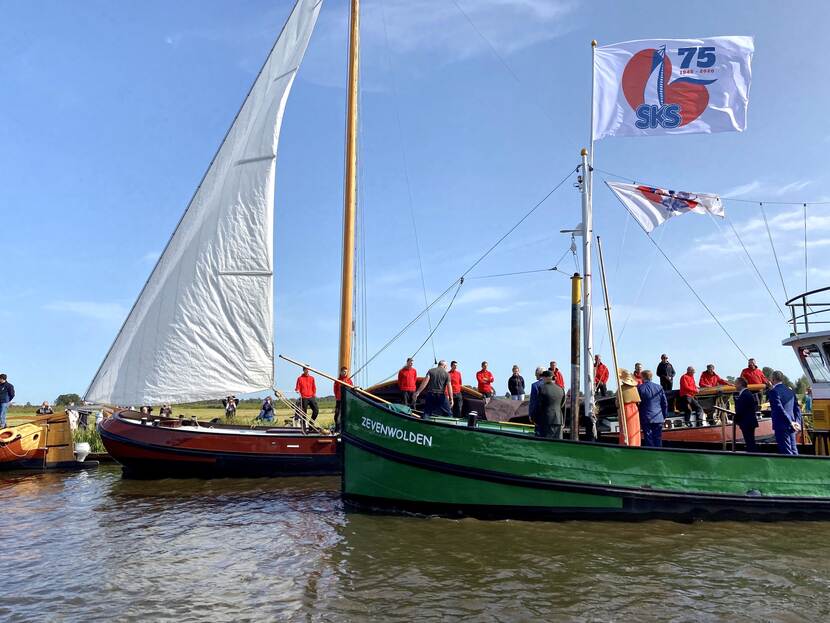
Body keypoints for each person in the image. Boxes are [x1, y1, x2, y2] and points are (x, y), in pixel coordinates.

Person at [768, 370, 801, 455]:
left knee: (786, 452)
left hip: (781, 425)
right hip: (792, 425)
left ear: (773, 379)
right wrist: (797, 422)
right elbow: (797, 408)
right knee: (794, 450)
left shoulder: (773, 392)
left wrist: (790, 422)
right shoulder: (790, 391)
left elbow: (779, 408)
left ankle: (790, 468)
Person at [637, 370, 667, 447]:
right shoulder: (659, 387)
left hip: (646, 417)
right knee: (658, 438)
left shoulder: (640, 388)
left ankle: (651, 455)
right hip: (658, 417)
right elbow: (664, 403)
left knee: (648, 438)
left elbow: (637, 404)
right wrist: (664, 416)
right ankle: (659, 455)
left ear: (643, 377)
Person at [531, 370, 565, 439]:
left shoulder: (542, 388)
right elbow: (562, 406)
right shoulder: (561, 389)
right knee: (557, 443)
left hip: (545, 420)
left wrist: (533, 418)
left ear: (545, 378)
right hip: (558, 421)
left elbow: (538, 405)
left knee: (545, 444)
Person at [733, 378, 759, 452]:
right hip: (748, 422)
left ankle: (752, 456)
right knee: (750, 441)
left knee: (750, 442)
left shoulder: (745, 394)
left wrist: (735, 419)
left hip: (747, 422)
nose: (735, 386)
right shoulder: (747, 393)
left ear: (740, 384)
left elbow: (741, 410)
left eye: (736, 384)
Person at [618, 369, 641, 446]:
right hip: (634, 409)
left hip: (625, 409)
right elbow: (638, 400)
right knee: (634, 428)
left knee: (625, 427)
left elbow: (617, 403)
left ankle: (626, 443)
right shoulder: (634, 388)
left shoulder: (620, 389)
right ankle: (635, 443)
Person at [333, 366, 353, 432]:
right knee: (337, 414)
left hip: (346, 400)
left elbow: (351, 389)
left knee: (345, 414)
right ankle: (337, 428)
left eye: (346, 372)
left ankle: (344, 429)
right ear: (341, 372)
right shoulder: (337, 380)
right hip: (339, 399)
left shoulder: (349, 381)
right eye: (343, 371)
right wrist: (337, 396)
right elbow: (335, 389)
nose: (344, 373)